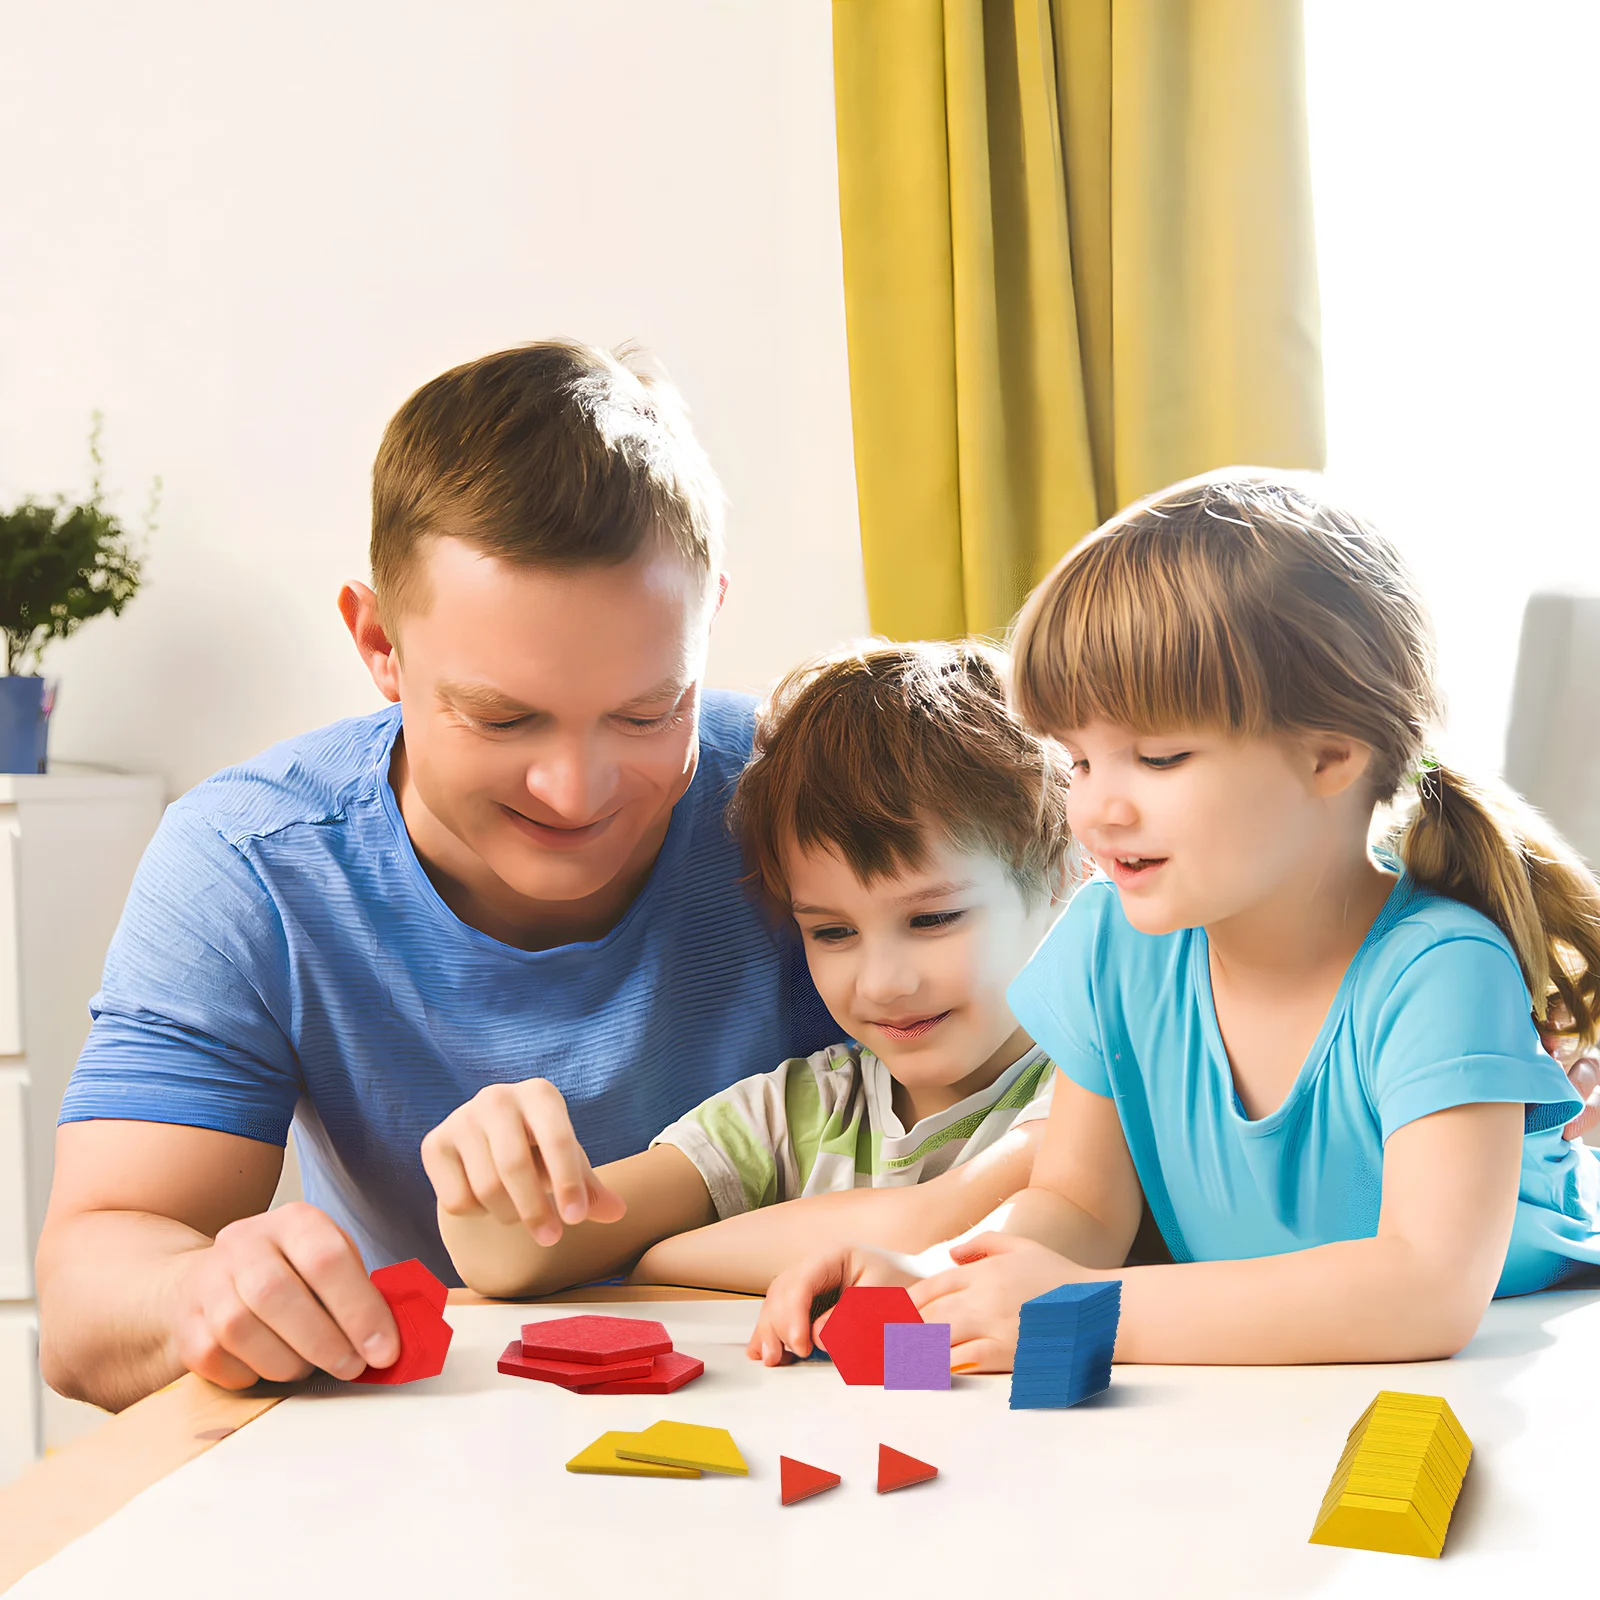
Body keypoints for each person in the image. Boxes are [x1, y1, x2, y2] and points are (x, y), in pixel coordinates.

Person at [35, 340, 836, 1411]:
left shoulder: (820, 797)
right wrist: (197, 1292)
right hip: (413, 1432)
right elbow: (86, 1305)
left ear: (709, 620)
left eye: (649, 712)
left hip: (804, 1404)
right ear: (379, 643)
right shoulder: (250, 865)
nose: (576, 790)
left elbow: (1017, 1144)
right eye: (502, 718)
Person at [753, 471, 1600, 1371]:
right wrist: (935, 1281)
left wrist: (1082, 1311)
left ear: (1330, 757)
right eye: (1079, 762)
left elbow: (1424, 1293)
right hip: (1254, 1391)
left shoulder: (1442, 969)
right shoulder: (1113, 943)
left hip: (1509, 1380)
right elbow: (1078, 1209)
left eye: (1157, 758)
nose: (1097, 810)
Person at [431, 641, 1071, 1298]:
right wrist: (488, 1165)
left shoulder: (1088, 1092)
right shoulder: (799, 1112)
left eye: (932, 919)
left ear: (1062, 876)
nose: (883, 983)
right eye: (833, 932)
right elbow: (515, 1258)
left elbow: (931, 1232)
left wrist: (667, 1261)